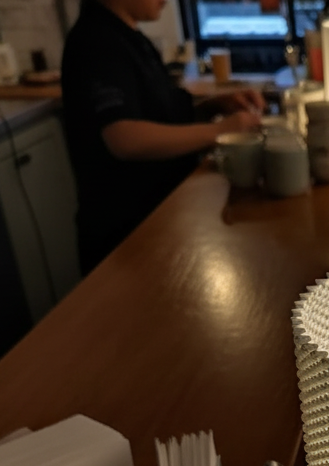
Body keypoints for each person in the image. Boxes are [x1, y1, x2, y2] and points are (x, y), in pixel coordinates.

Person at [62, 0, 263, 274]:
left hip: (162, 221)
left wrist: (216, 105)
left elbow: (163, 115)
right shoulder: (96, 42)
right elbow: (124, 138)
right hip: (126, 238)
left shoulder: (131, 38)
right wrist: (220, 132)